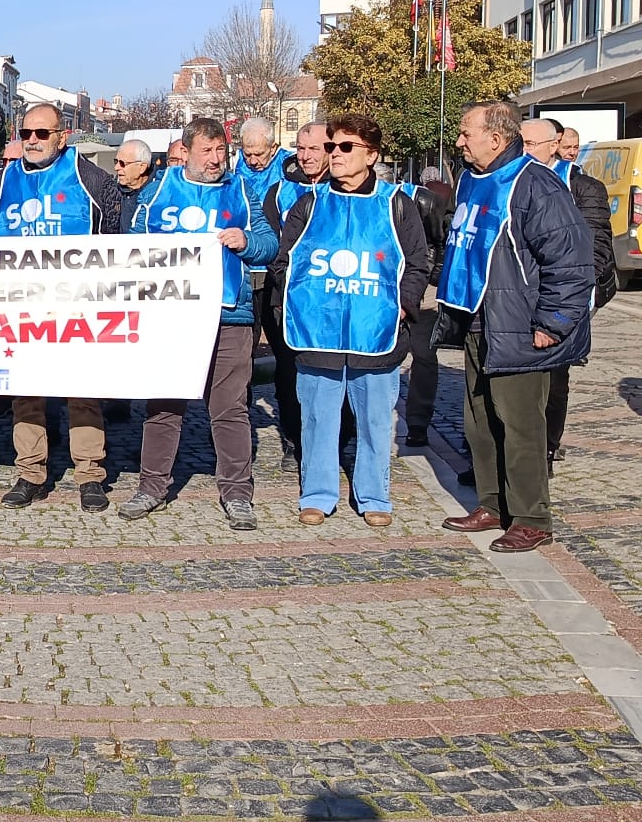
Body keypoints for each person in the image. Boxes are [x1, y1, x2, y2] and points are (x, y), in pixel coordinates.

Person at [435, 103, 594, 553]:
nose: (460, 142)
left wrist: (554, 323)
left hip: (520, 326)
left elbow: (570, 259)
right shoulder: (472, 178)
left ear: (497, 139)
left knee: (521, 426)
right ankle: (492, 503)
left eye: (467, 134)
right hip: (477, 318)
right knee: (479, 420)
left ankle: (531, 517)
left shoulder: (534, 184)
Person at [267, 113, 429, 527]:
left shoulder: (396, 204)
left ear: (371, 155)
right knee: (319, 417)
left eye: (345, 147)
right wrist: (302, 301)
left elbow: (416, 263)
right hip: (318, 333)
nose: (334, 155)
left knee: (375, 419)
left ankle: (374, 496)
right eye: (331, 146)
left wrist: (403, 305)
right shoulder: (311, 202)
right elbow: (285, 261)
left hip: (376, 333)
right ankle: (317, 493)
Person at [120, 116, 275, 529]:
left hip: (230, 315)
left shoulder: (241, 190)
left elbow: (269, 244)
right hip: (172, 317)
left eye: (221, 150)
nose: (216, 159)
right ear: (184, 152)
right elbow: (130, 246)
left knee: (229, 409)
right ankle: (152, 486)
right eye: (206, 151)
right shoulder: (157, 193)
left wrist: (247, 241)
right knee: (164, 405)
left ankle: (238, 493)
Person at [0, 102, 121, 511]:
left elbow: (118, 241)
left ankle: (90, 474)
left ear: (62, 137)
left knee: (81, 390)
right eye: (25, 133)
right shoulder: (0, 182)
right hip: (20, 307)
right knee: (26, 392)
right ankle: (30, 471)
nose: (32, 141)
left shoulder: (91, 179)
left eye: (41, 134)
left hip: (77, 307)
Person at [520, 117, 615, 464]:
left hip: (562, 298)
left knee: (554, 378)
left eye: (530, 144)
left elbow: (595, 245)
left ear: (554, 145)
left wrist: (570, 300)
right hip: (516, 297)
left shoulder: (584, 188)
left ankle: (546, 447)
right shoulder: (505, 180)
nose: (524, 151)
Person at [256, 122, 327, 468]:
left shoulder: (344, 188)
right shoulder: (279, 191)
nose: (306, 155)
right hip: (285, 296)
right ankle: (293, 438)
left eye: (314, 149)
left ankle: (336, 438)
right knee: (289, 369)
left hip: (331, 298)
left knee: (330, 370)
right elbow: (272, 245)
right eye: (301, 148)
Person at [400, 166, 453, 447]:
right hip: (387, 288)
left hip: (425, 289)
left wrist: (434, 275)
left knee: (423, 356)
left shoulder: (425, 202)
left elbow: (441, 241)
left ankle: (418, 423)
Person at [112, 139, 156, 232]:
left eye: (122, 163)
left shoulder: (157, 195)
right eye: (116, 161)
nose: (116, 168)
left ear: (142, 168)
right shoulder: (111, 192)